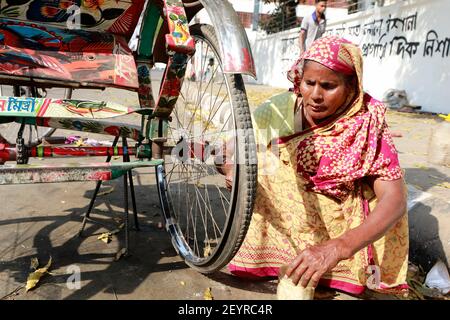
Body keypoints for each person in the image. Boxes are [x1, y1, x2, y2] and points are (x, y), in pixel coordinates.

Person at [226, 36, 409, 296]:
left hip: (341, 227)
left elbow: (395, 199)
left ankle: (333, 268)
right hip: (290, 216)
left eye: (328, 86)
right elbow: (234, 147)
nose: (315, 95)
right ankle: (284, 259)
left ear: (351, 87)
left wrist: (338, 247)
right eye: (309, 83)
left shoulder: (368, 123)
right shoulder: (280, 110)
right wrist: (233, 168)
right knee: (262, 164)